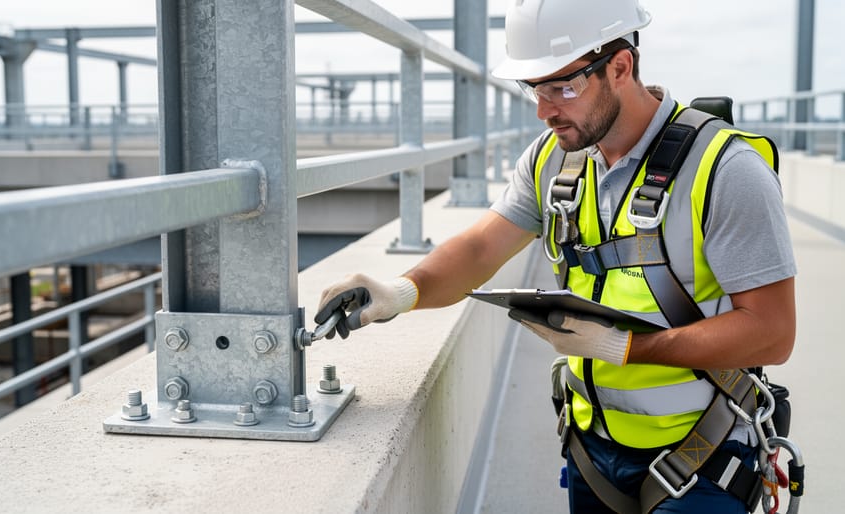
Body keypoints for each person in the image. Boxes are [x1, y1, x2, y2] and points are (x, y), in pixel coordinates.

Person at [314, 0, 797, 512]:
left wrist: (625, 349)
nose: (544, 110)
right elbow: (481, 247)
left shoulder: (726, 170)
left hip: (701, 460)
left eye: (562, 86)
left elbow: (771, 333)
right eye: (535, 88)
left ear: (620, 67)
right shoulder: (553, 160)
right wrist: (400, 292)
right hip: (590, 451)